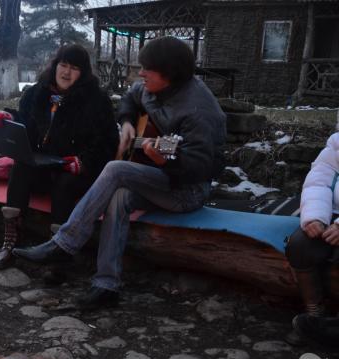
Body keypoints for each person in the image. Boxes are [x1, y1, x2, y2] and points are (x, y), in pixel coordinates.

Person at [13, 36, 227, 310]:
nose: (140, 73)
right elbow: (131, 96)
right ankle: (106, 285)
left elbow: (202, 168)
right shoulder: (154, 88)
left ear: (169, 73)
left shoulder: (199, 111)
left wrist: (163, 161)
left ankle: (64, 243)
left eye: (146, 69)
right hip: (159, 181)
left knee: (115, 169)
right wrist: (127, 122)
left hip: (187, 190)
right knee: (120, 195)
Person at [0, 44, 119, 269]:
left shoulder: (97, 101)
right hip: (43, 164)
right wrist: (8, 117)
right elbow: (26, 125)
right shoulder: (36, 92)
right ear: (55, 65)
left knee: (65, 182)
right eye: (63, 65)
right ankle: (11, 241)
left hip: (76, 170)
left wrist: (84, 162)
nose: (66, 72)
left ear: (83, 72)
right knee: (21, 166)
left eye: (74, 68)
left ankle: (59, 252)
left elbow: (107, 142)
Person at [285, 120, 339, 347]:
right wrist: (316, 218)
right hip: (332, 217)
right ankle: (315, 315)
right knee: (300, 245)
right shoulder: (336, 147)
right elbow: (318, 184)